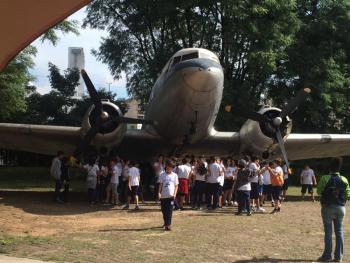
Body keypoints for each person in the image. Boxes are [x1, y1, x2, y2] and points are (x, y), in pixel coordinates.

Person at [158, 160, 179, 231]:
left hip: (171, 197)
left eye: (170, 167)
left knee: (169, 211)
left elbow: (176, 186)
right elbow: (160, 184)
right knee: (164, 211)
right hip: (163, 196)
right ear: (166, 166)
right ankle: (165, 223)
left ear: (172, 168)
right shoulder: (162, 175)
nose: (169, 168)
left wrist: (174, 194)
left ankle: (168, 225)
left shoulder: (175, 175)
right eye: (168, 166)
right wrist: (159, 193)